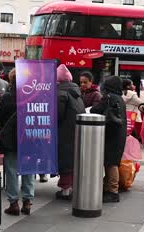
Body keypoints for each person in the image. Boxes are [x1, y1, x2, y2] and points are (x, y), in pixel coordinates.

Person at [0, 68, 34, 216]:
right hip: (30, 137)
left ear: (11, 80)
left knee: (11, 170)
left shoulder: (8, 97)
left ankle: (13, 203)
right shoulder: (34, 96)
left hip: (11, 138)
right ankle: (27, 201)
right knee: (29, 169)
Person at [91, 76, 127, 203]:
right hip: (118, 134)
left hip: (111, 135)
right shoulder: (120, 98)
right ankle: (108, 188)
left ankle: (113, 191)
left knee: (111, 163)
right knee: (112, 162)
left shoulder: (109, 97)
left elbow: (96, 109)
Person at [55, 64, 85, 200]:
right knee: (72, 160)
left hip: (64, 133)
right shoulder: (77, 93)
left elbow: (57, 115)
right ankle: (71, 187)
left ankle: (66, 190)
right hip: (76, 132)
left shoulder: (60, 93)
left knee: (65, 160)